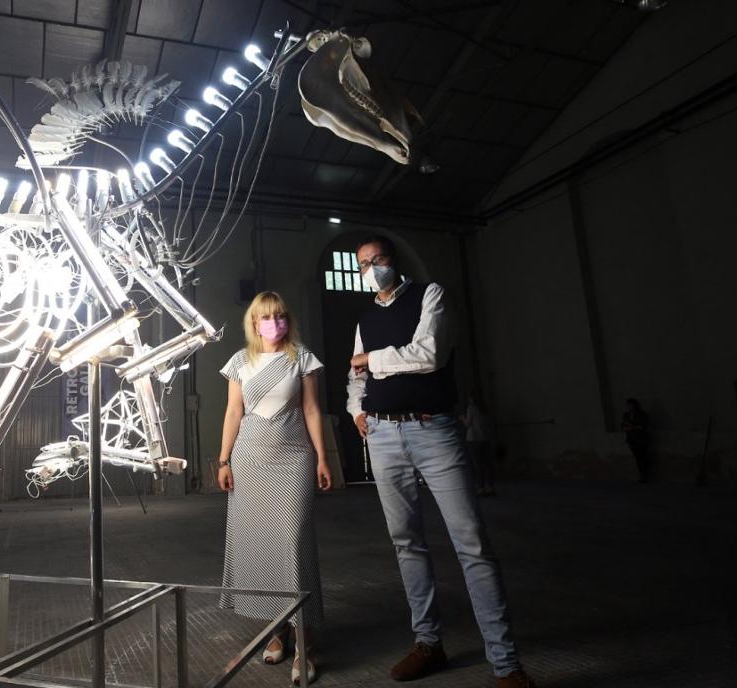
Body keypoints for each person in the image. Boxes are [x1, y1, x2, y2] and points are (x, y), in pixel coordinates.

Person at [346, 236, 536, 688]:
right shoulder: (366, 317)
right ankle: (428, 643)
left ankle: (507, 666)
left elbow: (429, 354)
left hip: (434, 431)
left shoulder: (429, 294)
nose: (372, 269)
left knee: (471, 544)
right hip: (384, 435)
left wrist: (371, 359)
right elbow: (353, 376)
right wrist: (357, 407)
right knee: (406, 543)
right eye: (363, 265)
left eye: (377, 260)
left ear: (395, 260)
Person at [218, 291, 333, 684]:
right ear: (254, 323)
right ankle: (278, 627)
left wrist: (322, 457)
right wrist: (222, 459)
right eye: (266, 317)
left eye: (280, 316)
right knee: (262, 547)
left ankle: (304, 641)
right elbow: (234, 411)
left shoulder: (301, 357)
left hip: (293, 458)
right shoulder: (239, 362)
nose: (274, 323)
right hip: (249, 460)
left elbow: (312, 410)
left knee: (293, 544)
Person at [462, 396, 497, 497]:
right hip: (485, 438)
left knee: (477, 465)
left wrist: (462, 418)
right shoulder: (484, 409)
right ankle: (490, 486)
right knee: (487, 464)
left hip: (473, 439)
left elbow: (467, 424)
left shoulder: (471, 408)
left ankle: (481, 487)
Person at [621, 398, 651, 482]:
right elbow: (623, 426)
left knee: (644, 457)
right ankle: (642, 476)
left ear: (634, 405)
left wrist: (632, 427)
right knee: (637, 458)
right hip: (631, 439)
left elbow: (642, 426)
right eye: (627, 405)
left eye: (629, 405)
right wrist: (630, 428)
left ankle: (646, 475)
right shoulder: (626, 415)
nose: (628, 406)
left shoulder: (642, 414)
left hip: (641, 439)